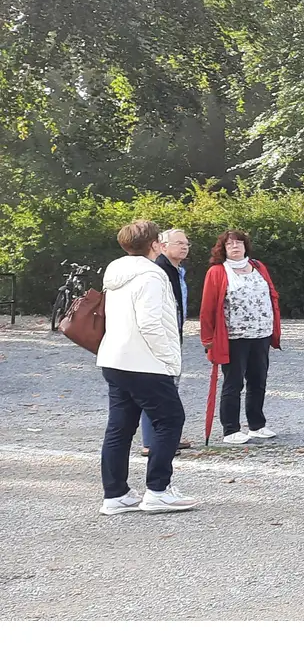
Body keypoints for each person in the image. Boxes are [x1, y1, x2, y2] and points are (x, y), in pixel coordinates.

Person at [98, 220, 198, 515]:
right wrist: (168, 357)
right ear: (155, 244)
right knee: (170, 420)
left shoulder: (116, 272)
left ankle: (115, 495)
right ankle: (158, 490)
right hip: (144, 362)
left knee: (119, 427)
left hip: (114, 359)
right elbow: (151, 323)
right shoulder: (152, 276)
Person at [199, 229, 282, 445]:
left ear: (245, 246)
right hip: (234, 337)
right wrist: (207, 339)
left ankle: (257, 425)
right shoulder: (217, 272)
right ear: (223, 249)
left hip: (261, 333)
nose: (235, 247)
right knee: (234, 382)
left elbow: (271, 295)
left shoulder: (258, 267)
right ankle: (231, 429)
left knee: (258, 380)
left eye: (239, 243)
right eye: (229, 244)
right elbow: (207, 308)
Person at [140, 228, 192, 457]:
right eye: (178, 243)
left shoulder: (176, 270)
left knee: (170, 387)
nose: (184, 247)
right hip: (160, 338)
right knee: (157, 389)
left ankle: (167, 437)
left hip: (173, 335)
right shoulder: (159, 270)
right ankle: (152, 442)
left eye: (186, 244)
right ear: (162, 246)